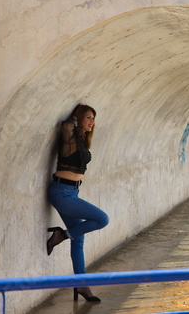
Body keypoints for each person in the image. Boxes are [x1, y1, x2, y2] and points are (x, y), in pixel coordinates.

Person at [46, 104, 109, 302]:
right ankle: (61, 235)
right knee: (102, 219)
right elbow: (65, 127)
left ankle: (81, 285)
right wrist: (76, 119)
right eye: (88, 117)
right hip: (61, 193)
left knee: (79, 238)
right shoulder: (70, 137)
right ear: (80, 118)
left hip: (72, 192)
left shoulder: (80, 140)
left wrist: (82, 125)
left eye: (93, 119)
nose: (92, 122)